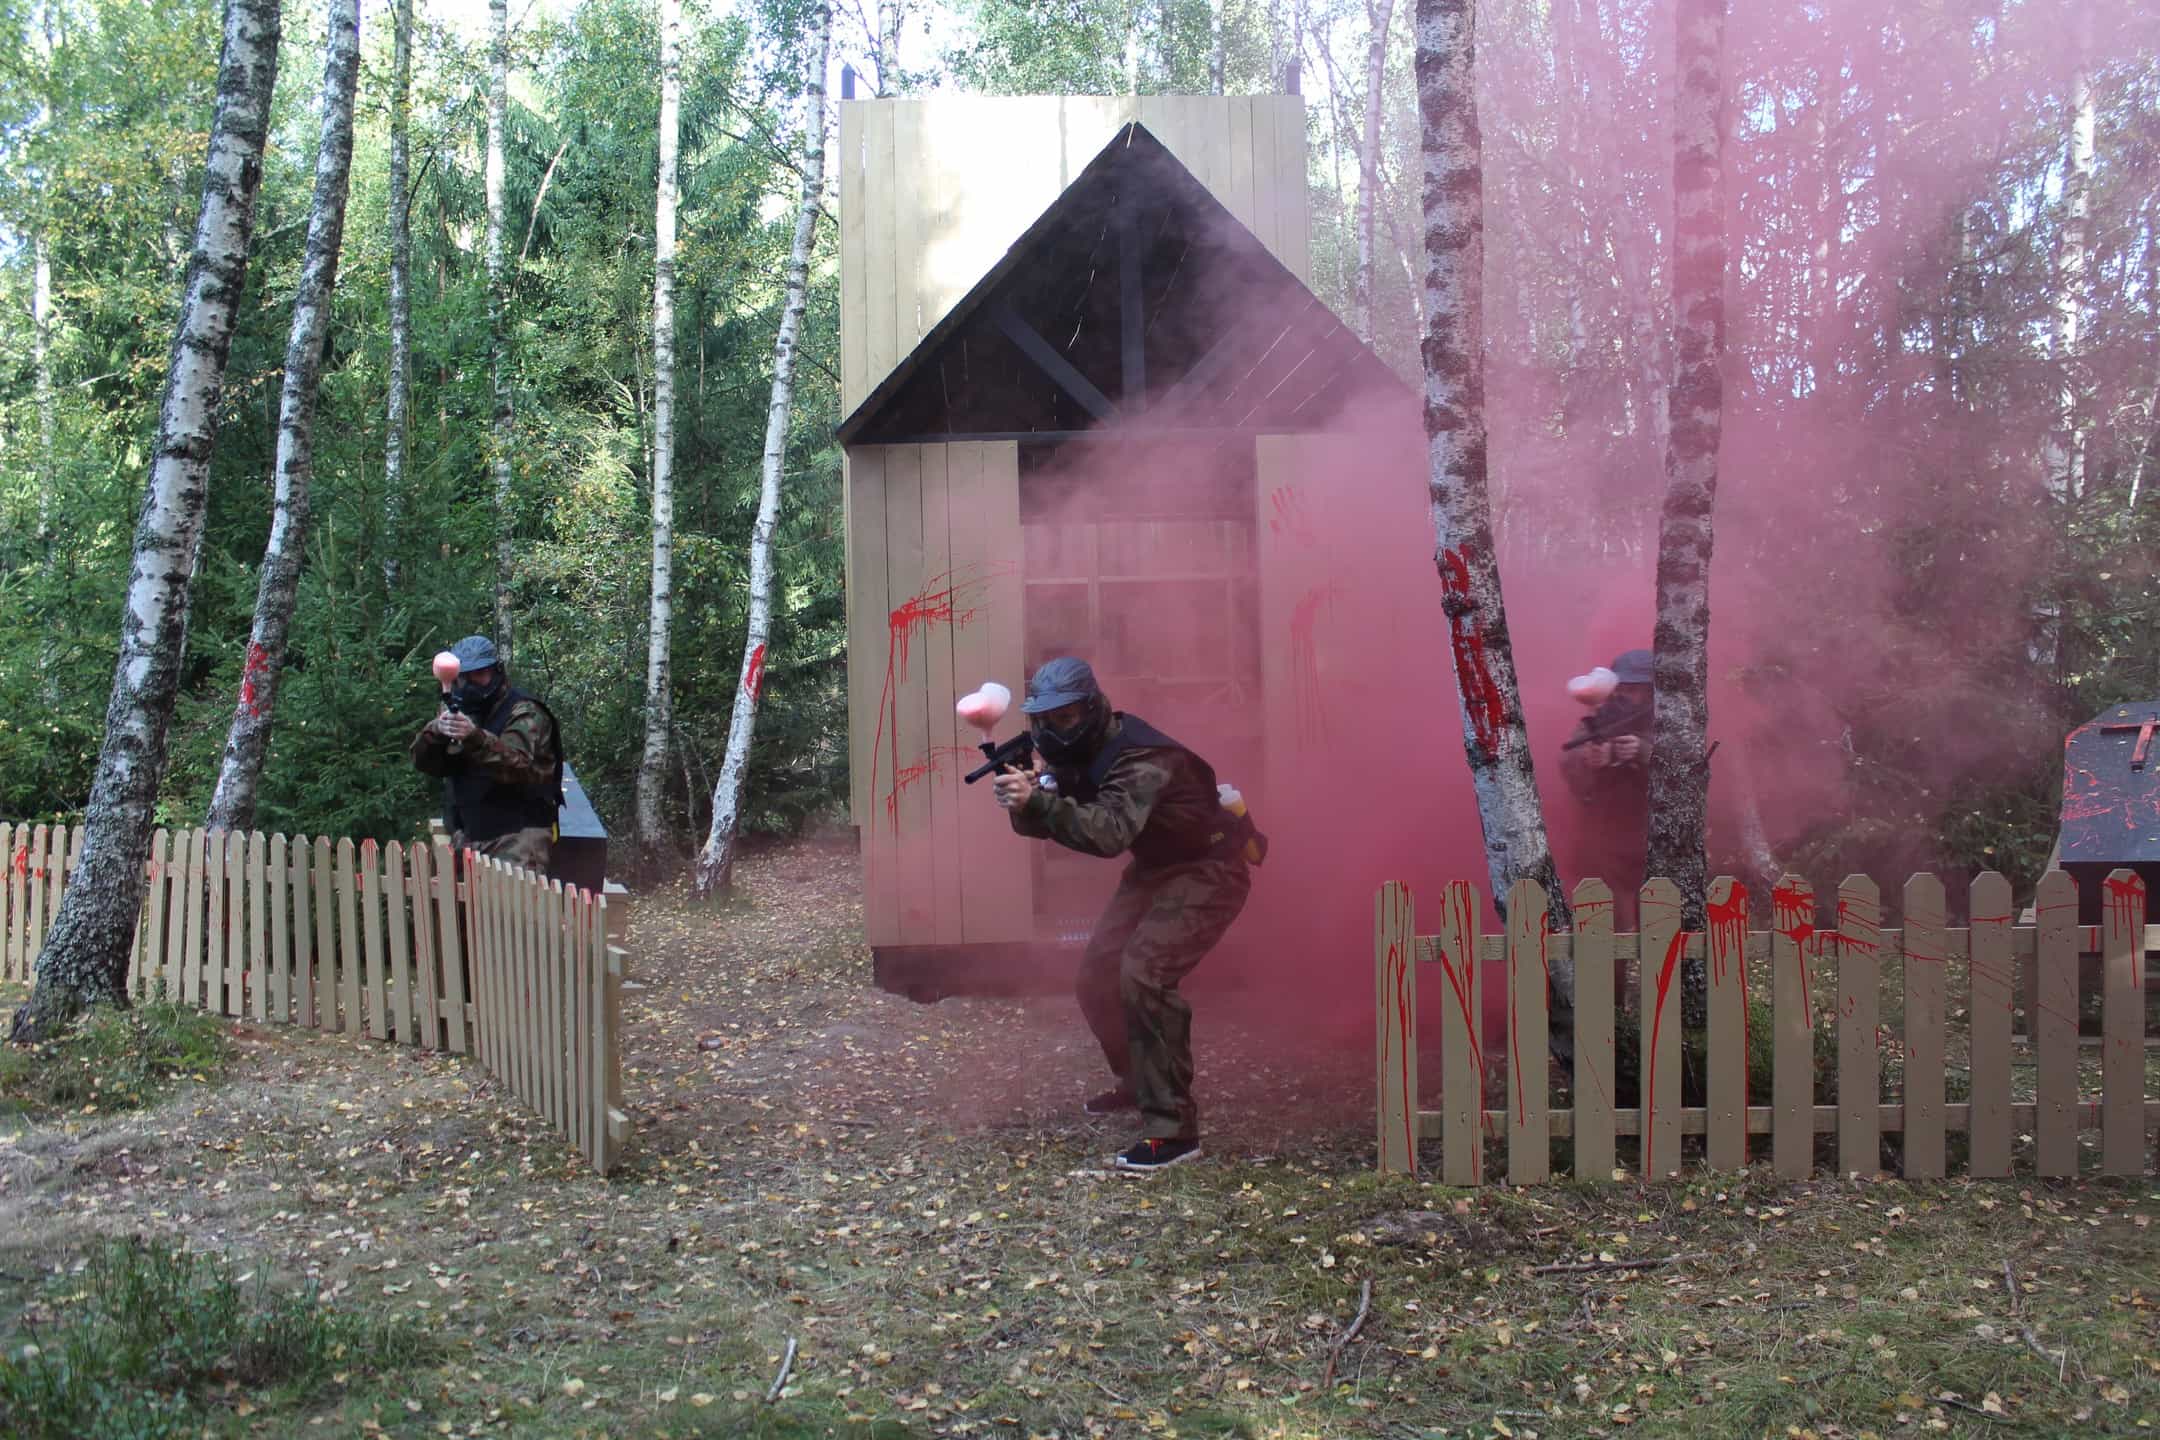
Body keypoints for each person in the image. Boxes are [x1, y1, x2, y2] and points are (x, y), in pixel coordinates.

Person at [990, 657, 1255, 1173]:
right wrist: (1025, 800)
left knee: (1143, 975)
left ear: (1092, 708)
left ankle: (1172, 1131)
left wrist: (1038, 802)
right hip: (1157, 867)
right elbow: (1047, 826)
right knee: (1095, 978)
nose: (1053, 729)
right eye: (1045, 719)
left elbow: (1108, 833)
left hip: (1209, 868)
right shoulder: (1079, 752)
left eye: (1064, 717)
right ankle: (1137, 1082)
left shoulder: (1143, 757)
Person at [410, 635, 564, 873]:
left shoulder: (525, 711)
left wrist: (474, 737)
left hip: (517, 838)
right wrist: (436, 731)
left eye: (480, 675)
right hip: (469, 835)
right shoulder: (459, 710)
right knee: (459, 910)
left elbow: (518, 766)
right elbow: (426, 764)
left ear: (497, 672)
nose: (472, 683)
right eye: (465, 676)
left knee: (511, 910)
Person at [1558, 647, 1655, 926]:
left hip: (1651, 840)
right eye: (1622, 687)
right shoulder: (1600, 719)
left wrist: (1642, 752)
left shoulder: (1669, 723)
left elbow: (1686, 767)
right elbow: (1569, 762)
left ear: (1651, 691)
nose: (1627, 695)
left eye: (1636, 688)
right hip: (1605, 844)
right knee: (1606, 933)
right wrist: (1590, 760)